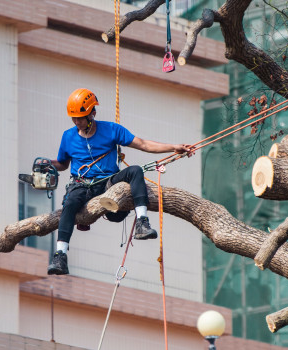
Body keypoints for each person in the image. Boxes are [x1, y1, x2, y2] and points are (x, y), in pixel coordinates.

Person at [47, 88, 192, 275]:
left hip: (108, 182)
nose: (77, 122)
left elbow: (144, 144)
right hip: (82, 184)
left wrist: (173, 147)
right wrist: (48, 164)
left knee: (135, 171)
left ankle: (142, 222)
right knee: (70, 203)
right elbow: (63, 164)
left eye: (81, 117)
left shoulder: (111, 130)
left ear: (92, 113)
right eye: (73, 118)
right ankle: (60, 256)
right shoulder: (68, 136)